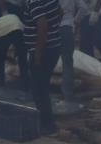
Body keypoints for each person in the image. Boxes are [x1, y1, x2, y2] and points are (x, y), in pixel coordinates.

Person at [23, 0, 63, 134]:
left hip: (42, 51)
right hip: (54, 47)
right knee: (43, 87)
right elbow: (60, 12)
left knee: (38, 89)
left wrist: (38, 52)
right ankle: (47, 122)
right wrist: (54, 29)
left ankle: (47, 124)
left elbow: (42, 25)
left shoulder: (33, 1)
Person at [0, 13, 29, 90]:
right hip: (19, 29)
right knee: (23, 59)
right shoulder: (9, 17)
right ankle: (25, 83)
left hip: (4, 32)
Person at [58, 0, 88, 103]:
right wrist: (76, 21)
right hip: (67, 28)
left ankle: (43, 91)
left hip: (51, 29)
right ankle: (67, 95)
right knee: (67, 63)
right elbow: (83, 8)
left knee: (48, 61)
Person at [79, 0, 101, 64]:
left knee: (99, 37)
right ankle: (90, 62)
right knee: (85, 41)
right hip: (85, 12)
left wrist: (95, 12)